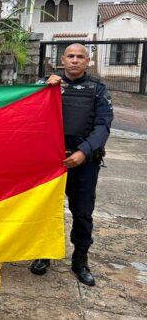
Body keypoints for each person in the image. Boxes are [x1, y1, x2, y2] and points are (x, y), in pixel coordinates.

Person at [30, 43, 113, 286]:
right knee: (46, 210)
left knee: (82, 213)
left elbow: (103, 127)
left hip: (83, 163)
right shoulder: (47, 85)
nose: (75, 60)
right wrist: (42, 88)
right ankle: (43, 254)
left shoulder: (98, 90)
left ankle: (80, 260)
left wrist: (84, 152)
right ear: (62, 60)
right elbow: (26, 111)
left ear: (88, 62)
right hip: (50, 162)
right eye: (70, 56)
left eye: (80, 57)